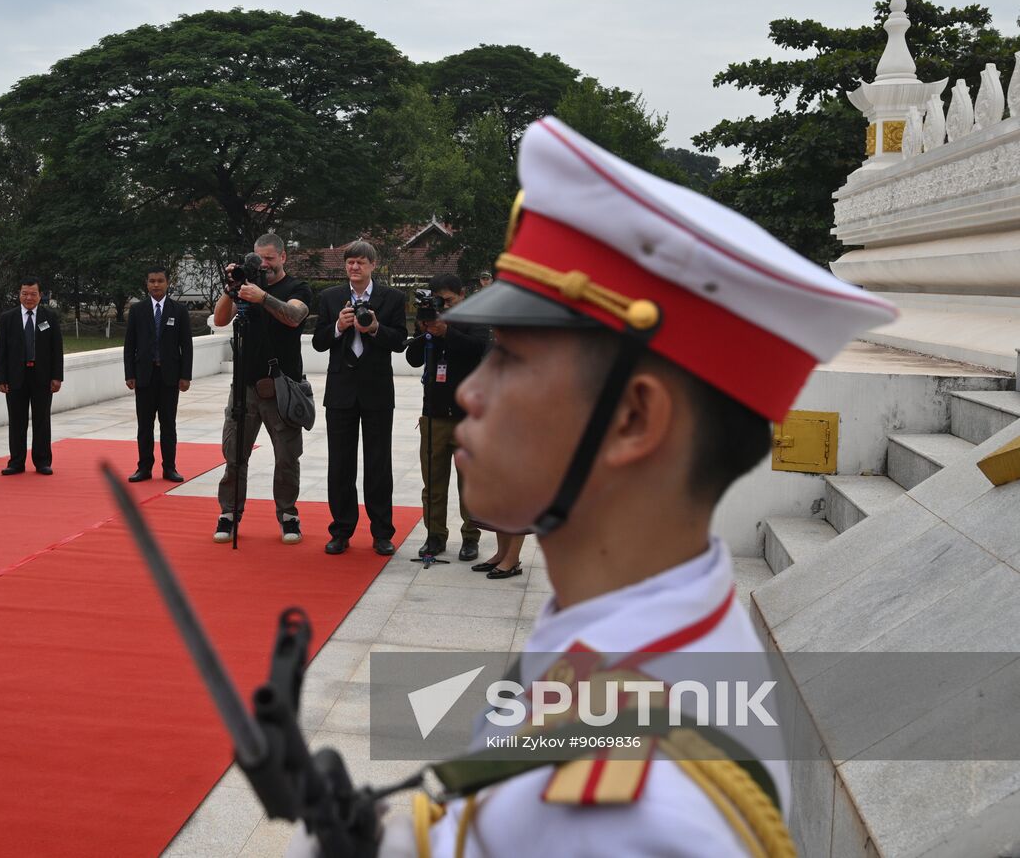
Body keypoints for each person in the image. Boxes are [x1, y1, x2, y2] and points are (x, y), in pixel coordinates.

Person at [287, 116, 896, 856]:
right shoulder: (624, 622)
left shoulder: (634, 824)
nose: (473, 393)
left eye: (509, 359)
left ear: (634, 419)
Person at [213, 233, 312, 545]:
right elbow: (219, 319)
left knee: (286, 456)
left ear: (283, 257)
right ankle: (229, 513)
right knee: (234, 455)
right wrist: (232, 289)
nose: (265, 265)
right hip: (245, 386)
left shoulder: (296, 288)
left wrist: (263, 297)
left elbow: (295, 317)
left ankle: (288, 515)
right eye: (259, 259)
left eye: (270, 258)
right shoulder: (244, 287)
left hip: (283, 384)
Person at [311, 240, 407, 556]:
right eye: (350, 262)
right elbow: (319, 343)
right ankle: (340, 531)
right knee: (340, 465)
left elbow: (400, 342)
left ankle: (382, 532)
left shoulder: (392, 298)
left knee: (378, 465)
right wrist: (338, 327)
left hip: (377, 392)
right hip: (340, 393)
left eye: (361, 262)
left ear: (373, 265)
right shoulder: (330, 298)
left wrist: (377, 328)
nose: (355, 267)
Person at [405, 274, 494, 564]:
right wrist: (425, 330)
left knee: (469, 482)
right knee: (433, 481)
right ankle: (435, 535)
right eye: (438, 300)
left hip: (468, 416)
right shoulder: (429, 321)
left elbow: (477, 350)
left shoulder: (475, 320)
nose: (443, 305)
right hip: (434, 415)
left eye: (449, 300)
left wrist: (446, 332)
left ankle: (470, 537)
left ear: (463, 295)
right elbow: (414, 359)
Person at [124, 265, 194, 483]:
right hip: (144, 376)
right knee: (144, 426)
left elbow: (187, 346)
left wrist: (185, 376)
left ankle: (169, 468)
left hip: (169, 377)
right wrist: (129, 374)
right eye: (152, 281)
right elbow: (129, 345)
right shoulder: (137, 311)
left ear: (167, 283)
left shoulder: (179, 311)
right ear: (147, 283)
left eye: (160, 281)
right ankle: (144, 467)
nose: (156, 285)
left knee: (168, 425)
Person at [0, 277, 64, 476]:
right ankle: (16, 462)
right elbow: (2, 351)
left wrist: (57, 377)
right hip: (16, 377)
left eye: (33, 294)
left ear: (40, 295)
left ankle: (42, 461)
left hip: (42, 377)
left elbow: (56, 350)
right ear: (19, 294)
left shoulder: (49, 317)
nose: (29, 297)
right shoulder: (8, 318)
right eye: (25, 293)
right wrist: (1, 378)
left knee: (42, 420)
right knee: (17, 420)